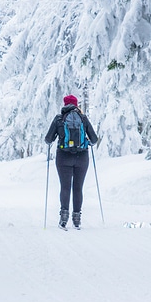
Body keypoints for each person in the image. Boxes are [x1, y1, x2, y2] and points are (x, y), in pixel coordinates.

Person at [44, 94, 99, 230]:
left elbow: (48, 139)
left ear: (64, 105)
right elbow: (94, 140)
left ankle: (63, 218)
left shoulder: (59, 119)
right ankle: (77, 220)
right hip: (82, 157)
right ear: (76, 105)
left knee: (65, 187)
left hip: (63, 156)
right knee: (78, 187)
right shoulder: (83, 118)